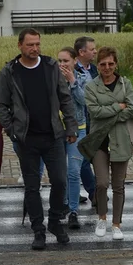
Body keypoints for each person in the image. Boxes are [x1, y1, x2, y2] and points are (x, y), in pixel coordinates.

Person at [0, 28, 77, 251]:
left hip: (53, 135)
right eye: (30, 44)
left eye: (37, 44)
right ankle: (38, 229)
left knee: (60, 180)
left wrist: (70, 126)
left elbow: (65, 98)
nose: (35, 48)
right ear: (20, 45)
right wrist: (12, 129)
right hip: (26, 139)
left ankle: (55, 221)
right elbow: (0, 104)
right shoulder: (9, 72)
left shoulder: (50, 67)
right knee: (32, 187)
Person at [80, 47, 133, 240]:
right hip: (99, 141)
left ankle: (116, 224)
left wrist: (110, 110)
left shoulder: (125, 83)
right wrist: (117, 107)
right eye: (103, 64)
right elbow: (95, 112)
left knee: (118, 185)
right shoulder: (91, 87)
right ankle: (102, 218)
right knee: (102, 183)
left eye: (111, 63)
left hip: (121, 140)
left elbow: (131, 109)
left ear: (116, 64)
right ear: (98, 65)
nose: (107, 67)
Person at [57, 47, 89, 230]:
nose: (62, 65)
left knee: (73, 171)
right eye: (59, 61)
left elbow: (85, 102)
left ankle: (74, 211)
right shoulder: (52, 78)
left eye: (66, 61)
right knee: (60, 173)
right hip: (56, 131)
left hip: (78, 130)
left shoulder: (83, 78)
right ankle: (63, 204)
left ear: (74, 61)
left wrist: (73, 82)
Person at [71, 36, 99, 204]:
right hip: (79, 121)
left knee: (91, 157)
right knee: (80, 160)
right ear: (81, 52)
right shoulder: (72, 70)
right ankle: (93, 192)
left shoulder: (95, 69)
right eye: (92, 49)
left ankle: (75, 191)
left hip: (95, 120)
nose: (95, 51)